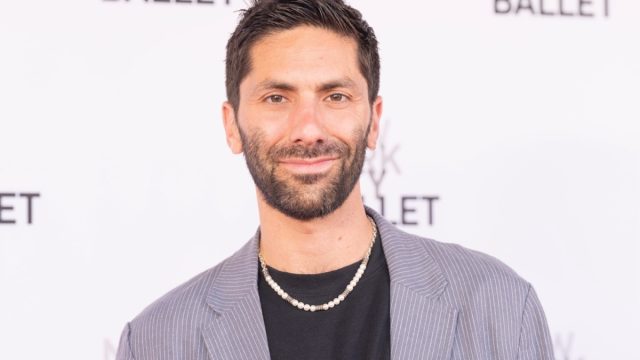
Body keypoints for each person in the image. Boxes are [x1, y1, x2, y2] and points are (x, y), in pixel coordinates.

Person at [116, 0, 555, 359]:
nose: (308, 128)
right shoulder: (157, 341)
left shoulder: (498, 305)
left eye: (335, 96)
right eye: (276, 97)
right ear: (232, 126)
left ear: (374, 120)